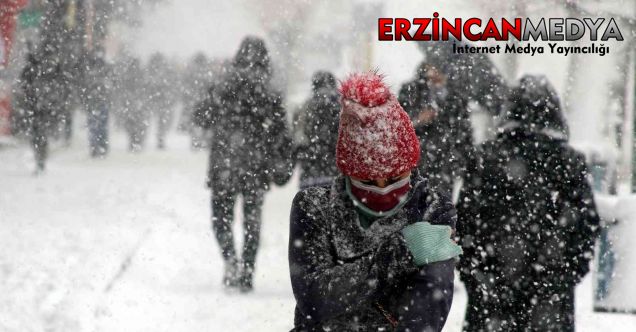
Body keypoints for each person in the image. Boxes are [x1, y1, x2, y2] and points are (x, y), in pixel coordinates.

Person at [289, 72, 462, 331]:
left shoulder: (431, 208)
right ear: (349, 173)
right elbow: (314, 300)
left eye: (395, 178)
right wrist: (402, 251)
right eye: (368, 182)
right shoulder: (314, 207)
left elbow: (427, 307)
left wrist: (352, 282)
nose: (383, 190)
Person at [456, 75, 600, 332]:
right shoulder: (569, 162)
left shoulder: (484, 159)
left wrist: (476, 273)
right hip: (549, 294)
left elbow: (463, 223)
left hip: (492, 289)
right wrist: (564, 276)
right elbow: (586, 226)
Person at [194, 36, 293, 292]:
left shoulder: (223, 86)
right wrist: (281, 160)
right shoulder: (269, 92)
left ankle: (230, 260)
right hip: (255, 165)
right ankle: (247, 270)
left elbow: (201, 116)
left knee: (221, 218)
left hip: (224, 162)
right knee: (252, 221)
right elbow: (282, 133)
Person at [399, 62, 460, 194]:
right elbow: (397, 125)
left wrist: (457, 163)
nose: (435, 73)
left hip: (443, 165)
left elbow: (462, 133)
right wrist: (417, 120)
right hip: (415, 163)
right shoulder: (411, 90)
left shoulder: (455, 96)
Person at [293, 71, 340, 189]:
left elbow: (297, 140)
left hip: (310, 175)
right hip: (336, 175)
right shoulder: (343, 108)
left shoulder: (304, 108)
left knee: (309, 205)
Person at [82, 52, 110, 158]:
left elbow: (85, 89)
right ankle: (101, 146)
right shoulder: (104, 73)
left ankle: (95, 146)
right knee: (102, 126)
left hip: (93, 102)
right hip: (100, 102)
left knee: (94, 125)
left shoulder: (90, 73)